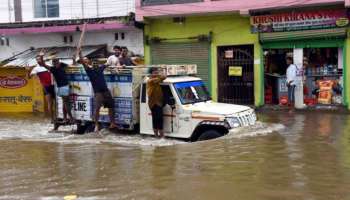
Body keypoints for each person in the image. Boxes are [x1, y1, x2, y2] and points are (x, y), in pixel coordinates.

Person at [78, 50, 118, 131]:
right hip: (98, 92)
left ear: (98, 65)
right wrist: (80, 53)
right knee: (97, 108)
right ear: (91, 65)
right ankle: (96, 124)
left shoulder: (100, 68)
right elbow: (82, 62)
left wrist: (117, 64)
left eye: (96, 63)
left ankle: (112, 123)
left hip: (106, 91)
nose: (95, 64)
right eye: (93, 63)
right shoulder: (89, 71)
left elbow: (107, 64)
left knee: (111, 106)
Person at [41, 56, 74, 124]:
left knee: (64, 103)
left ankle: (65, 118)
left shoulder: (61, 66)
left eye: (56, 61)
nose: (55, 62)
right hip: (63, 87)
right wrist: (41, 57)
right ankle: (71, 118)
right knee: (67, 103)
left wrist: (74, 58)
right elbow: (43, 64)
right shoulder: (53, 69)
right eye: (54, 61)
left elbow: (72, 65)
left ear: (58, 61)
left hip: (62, 87)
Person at [29, 55, 55, 122]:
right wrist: (29, 71)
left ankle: (59, 117)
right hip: (46, 87)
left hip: (54, 85)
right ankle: (52, 119)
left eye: (40, 59)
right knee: (50, 103)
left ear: (43, 59)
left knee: (58, 103)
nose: (39, 60)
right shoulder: (36, 68)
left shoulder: (49, 65)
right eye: (37, 59)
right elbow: (30, 76)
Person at [147, 67, 166, 138]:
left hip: (159, 102)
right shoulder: (150, 81)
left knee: (159, 118)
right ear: (151, 73)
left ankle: (160, 134)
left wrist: (160, 72)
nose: (156, 74)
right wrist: (161, 72)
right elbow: (164, 77)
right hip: (153, 103)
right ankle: (157, 135)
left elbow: (163, 77)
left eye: (157, 72)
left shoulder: (157, 80)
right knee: (156, 118)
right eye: (155, 73)